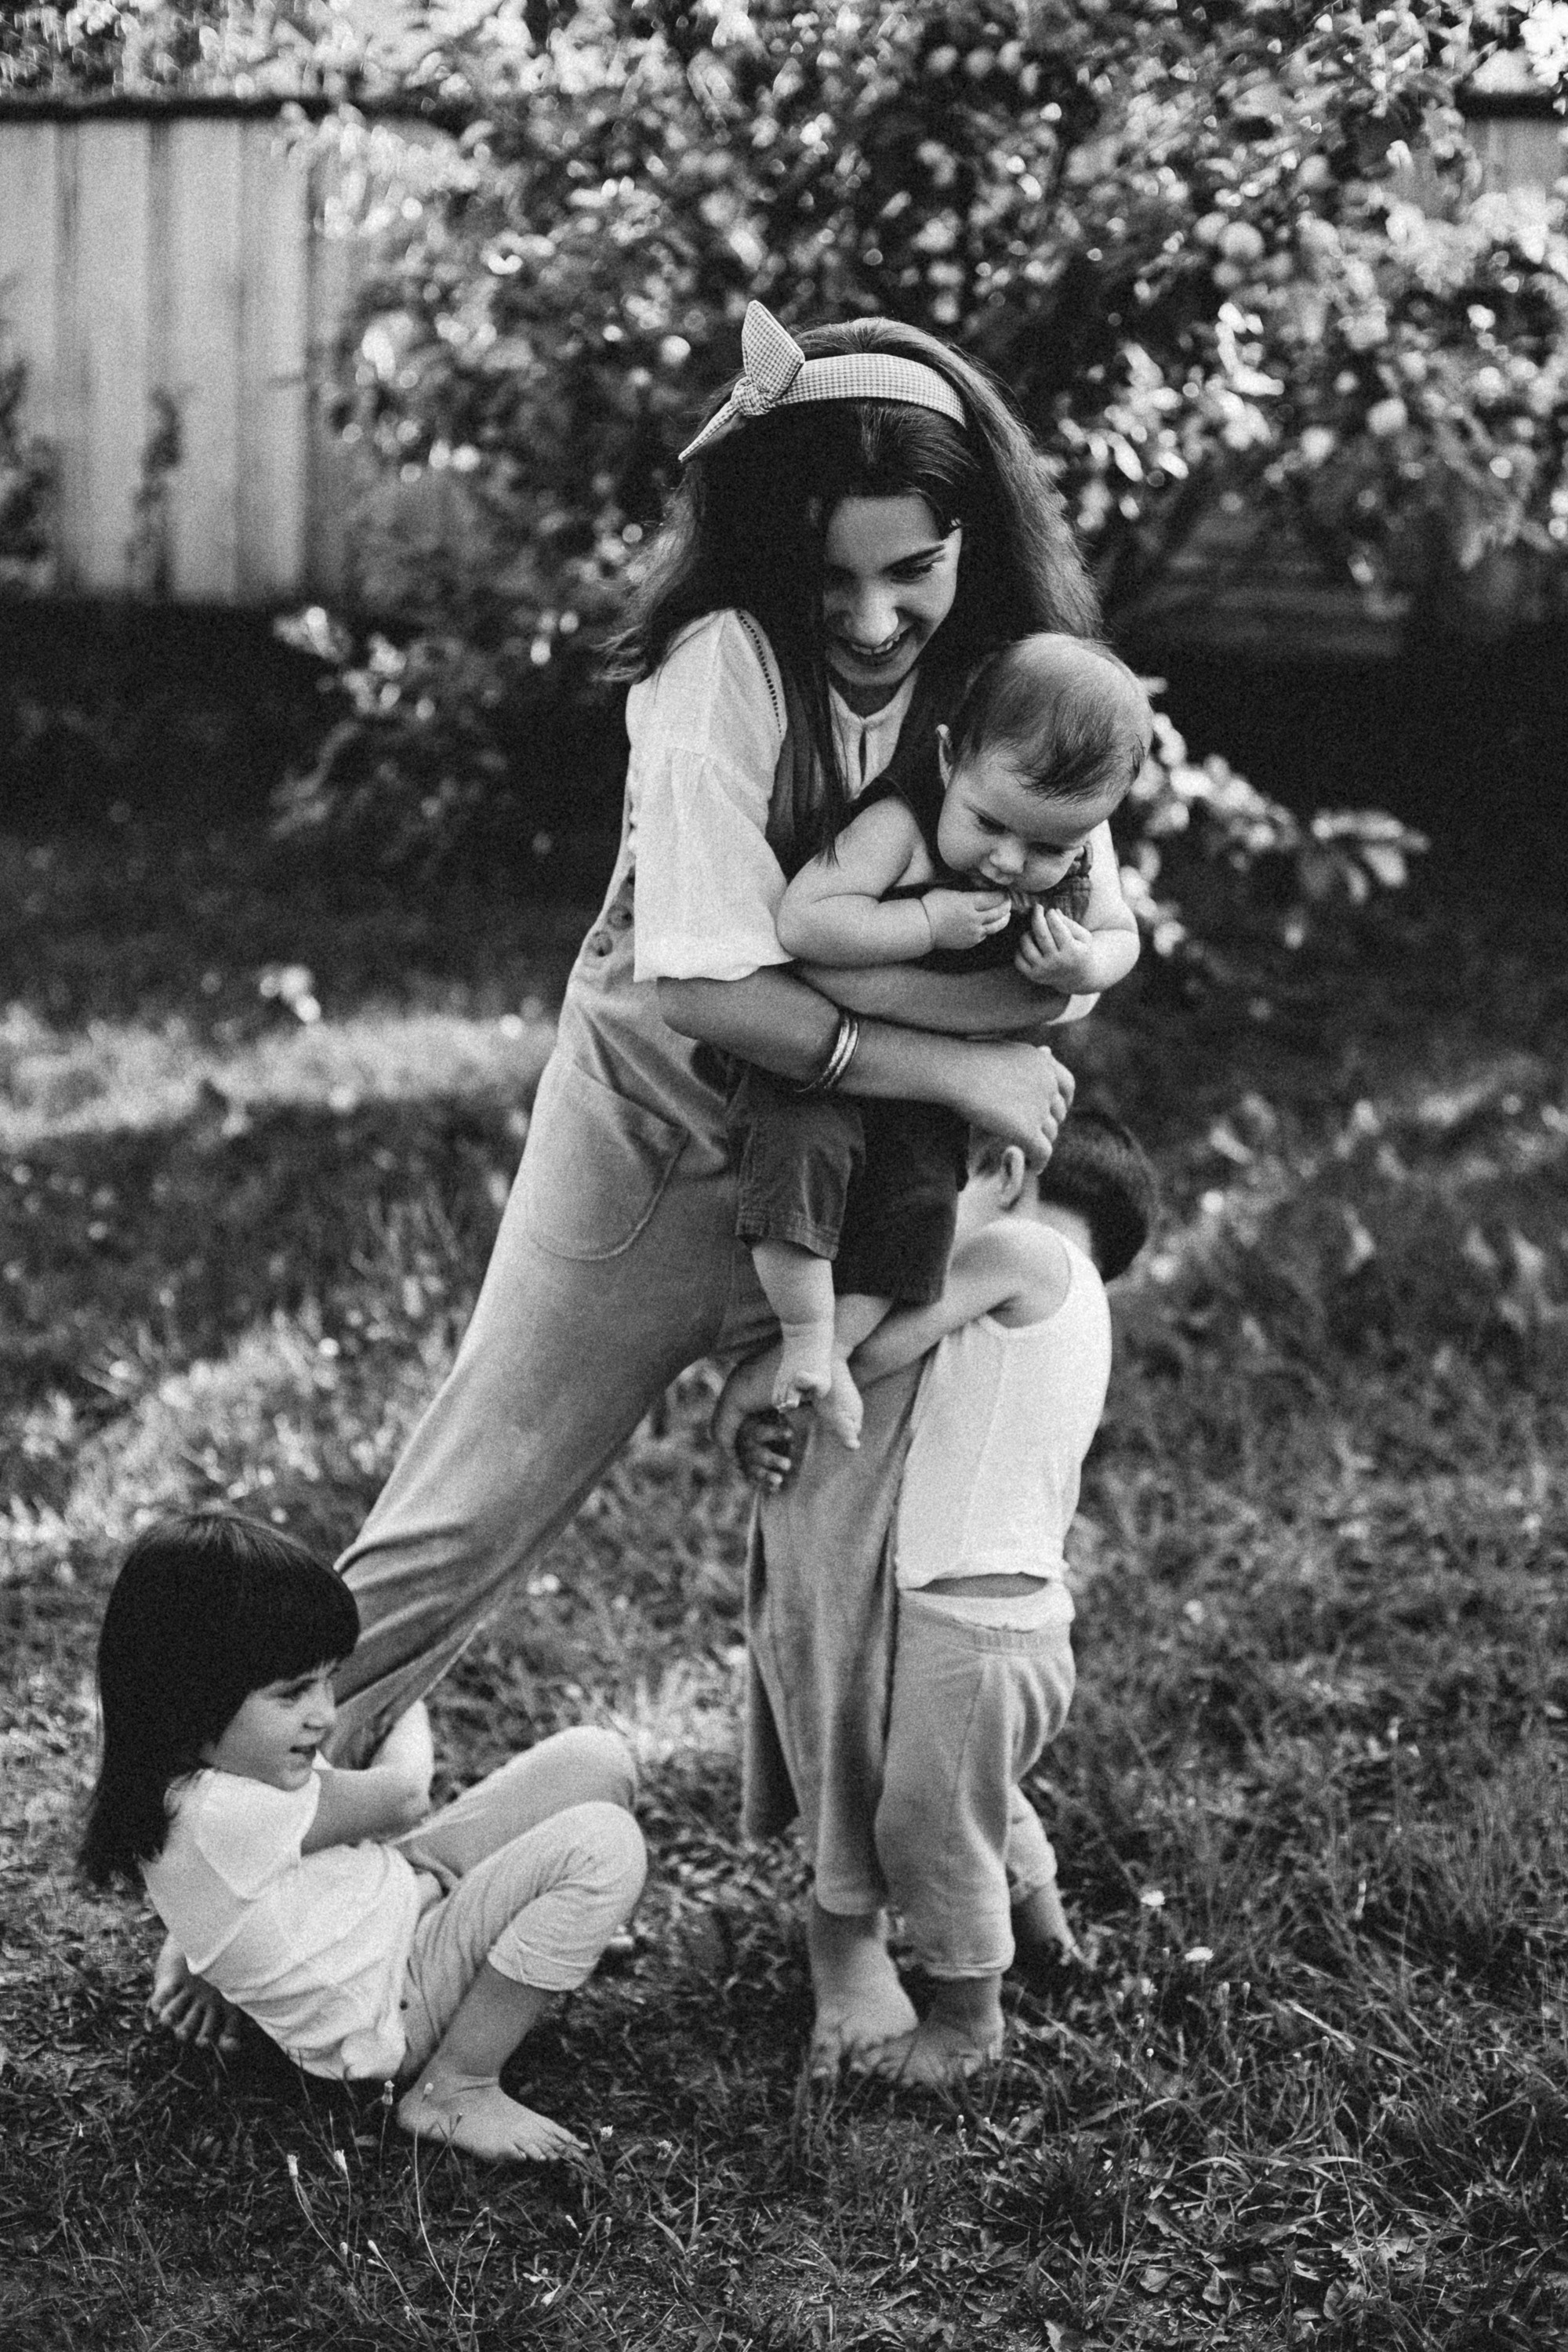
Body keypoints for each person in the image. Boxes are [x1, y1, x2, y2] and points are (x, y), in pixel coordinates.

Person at [167, 297, 1108, 2074]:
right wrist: (949, 1045)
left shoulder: (1016, 678)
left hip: (857, 1215)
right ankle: (223, 1892)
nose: (873, 618)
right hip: (648, 1163)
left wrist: (863, 988)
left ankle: (872, 1926)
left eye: (910, 570)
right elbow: (697, 984)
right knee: (456, 1518)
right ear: (766, 551)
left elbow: (1069, 965)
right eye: (828, 579)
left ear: (970, 529)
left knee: (844, 1570)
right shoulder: (711, 676)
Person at [722, 1109, 1158, 2085]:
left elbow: (861, 1354)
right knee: (972, 1790)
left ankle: (969, 2021)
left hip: (968, 1625)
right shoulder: (1072, 1302)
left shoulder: (1018, 1249)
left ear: (1005, 1170)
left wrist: (742, 1392)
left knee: (923, 1822)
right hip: (1013, 1623)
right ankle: (1044, 1928)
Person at [83, 1512, 645, 2162]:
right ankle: (456, 2085)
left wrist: (188, 1953)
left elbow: (217, 1893)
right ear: (190, 1699)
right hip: (393, 2004)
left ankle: (538, 1944)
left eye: (328, 1679)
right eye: (293, 1692)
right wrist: (407, 1689)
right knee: (605, 1844)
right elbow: (405, 1795)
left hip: (400, 1899)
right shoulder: (218, 1810)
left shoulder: (203, 1765)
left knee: (596, 1763)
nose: (322, 1711)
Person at [730, 633, 1149, 1446]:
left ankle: (837, 1355)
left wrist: (1083, 960)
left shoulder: (1063, 855)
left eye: (1047, 848)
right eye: (989, 824)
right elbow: (805, 918)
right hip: (818, 1058)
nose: (1007, 861)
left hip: (927, 1089)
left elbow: (1119, 935)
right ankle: (803, 1336)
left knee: (922, 1208)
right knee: (795, 1161)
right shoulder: (902, 824)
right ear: (951, 757)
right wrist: (923, 918)